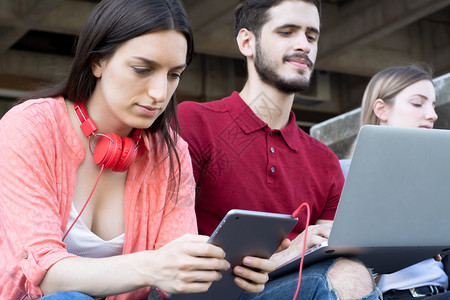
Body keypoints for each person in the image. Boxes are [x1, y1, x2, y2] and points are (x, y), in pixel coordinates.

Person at [0, 0, 275, 299]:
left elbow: (173, 283)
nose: (160, 94)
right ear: (98, 61)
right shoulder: (31, 126)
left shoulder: (170, 154)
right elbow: (45, 274)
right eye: (142, 69)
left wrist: (215, 273)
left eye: (173, 75)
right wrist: (153, 267)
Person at [178, 0, 382, 299]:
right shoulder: (194, 121)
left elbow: (330, 253)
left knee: (352, 272)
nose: (304, 45)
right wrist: (282, 257)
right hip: (208, 292)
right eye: (287, 32)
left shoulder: (324, 161)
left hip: (292, 287)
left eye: (311, 36)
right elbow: (167, 245)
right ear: (247, 42)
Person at [340, 64, 449, 299]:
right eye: (418, 103)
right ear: (381, 109)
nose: (432, 114)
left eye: (432, 104)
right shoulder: (343, 173)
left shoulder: (437, 175)